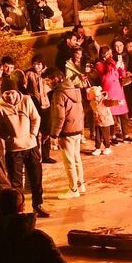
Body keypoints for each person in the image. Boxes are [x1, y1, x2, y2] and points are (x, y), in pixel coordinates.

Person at [0, 76, 48, 219]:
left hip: (31, 146)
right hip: (14, 150)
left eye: (12, 93)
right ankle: (19, 208)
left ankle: (38, 205)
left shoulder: (27, 100)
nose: (10, 96)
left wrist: (33, 134)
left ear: (17, 92)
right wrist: (10, 139)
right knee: (16, 183)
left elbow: (36, 118)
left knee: (36, 177)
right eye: (7, 94)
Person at [47, 67, 87, 198]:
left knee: (69, 161)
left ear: (55, 79)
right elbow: (81, 112)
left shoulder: (59, 94)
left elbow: (59, 117)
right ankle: (81, 185)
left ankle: (73, 189)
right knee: (76, 159)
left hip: (66, 131)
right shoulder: (75, 90)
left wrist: (54, 134)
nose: (47, 83)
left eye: (48, 80)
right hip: (76, 129)